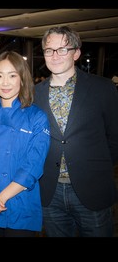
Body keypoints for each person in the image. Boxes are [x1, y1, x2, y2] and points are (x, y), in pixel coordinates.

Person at [34, 26, 118, 237]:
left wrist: (98, 169)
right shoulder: (33, 94)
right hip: (49, 193)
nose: (55, 55)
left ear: (76, 53)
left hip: (92, 190)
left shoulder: (103, 88)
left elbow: (115, 137)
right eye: (49, 50)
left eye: (62, 49)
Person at [0, 51, 50, 237]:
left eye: (12, 75)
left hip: (21, 203)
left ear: (22, 79)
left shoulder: (36, 118)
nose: (5, 82)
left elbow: (33, 165)